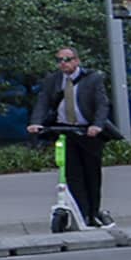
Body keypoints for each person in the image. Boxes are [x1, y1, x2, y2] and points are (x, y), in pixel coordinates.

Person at [41, 44, 115, 231]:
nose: (63, 64)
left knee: (91, 174)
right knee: (72, 175)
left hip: (88, 132)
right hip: (66, 130)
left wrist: (97, 125)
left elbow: (102, 104)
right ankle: (80, 212)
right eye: (59, 60)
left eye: (67, 59)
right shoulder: (54, 80)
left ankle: (93, 212)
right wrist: (36, 123)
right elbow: (42, 102)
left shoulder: (92, 79)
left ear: (77, 60)